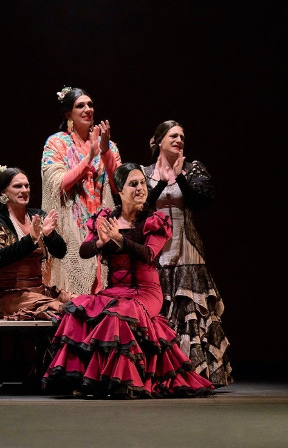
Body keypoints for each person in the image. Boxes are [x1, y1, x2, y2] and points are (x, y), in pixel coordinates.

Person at [42, 163, 215, 398]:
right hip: (115, 291)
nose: (140, 188)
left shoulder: (154, 220)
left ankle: (121, 381)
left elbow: (149, 254)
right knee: (78, 310)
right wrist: (102, 242)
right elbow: (84, 251)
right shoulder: (107, 219)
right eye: (133, 184)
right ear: (120, 191)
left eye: (143, 183)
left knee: (118, 317)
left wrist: (120, 241)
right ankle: (89, 381)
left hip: (146, 292)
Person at [143, 120, 233, 387]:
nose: (179, 139)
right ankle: (162, 372)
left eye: (182, 136)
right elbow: (142, 204)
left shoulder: (193, 168)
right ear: (159, 140)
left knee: (191, 309)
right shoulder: (144, 172)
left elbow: (203, 201)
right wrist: (162, 182)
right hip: (157, 251)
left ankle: (196, 372)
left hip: (187, 250)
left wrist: (180, 177)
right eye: (173, 135)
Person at [40, 86, 122, 297]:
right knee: (74, 294)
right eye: (80, 106)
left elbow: (118, 186)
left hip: (102, 223)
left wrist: (104, 153)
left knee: (104, 288)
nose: (88, 109)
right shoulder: (56, 143)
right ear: (69, 114)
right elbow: (58, 183)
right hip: (71, 224)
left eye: (90, 105)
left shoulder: (108, 145)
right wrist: (88, 159)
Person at [0, 165, 70, 321]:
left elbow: (61, 252)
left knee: (79, 303)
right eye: (17, 186)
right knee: (61, 310)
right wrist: (31, 239)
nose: (24, 190)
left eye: (26, 186)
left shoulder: (37, 216)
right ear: (4, 192)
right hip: (9, 295)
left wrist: (49, 236)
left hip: (39, 290)